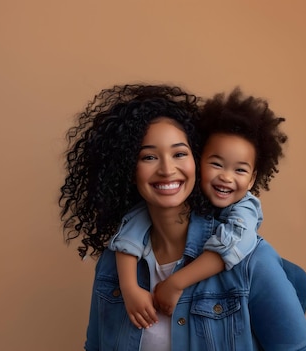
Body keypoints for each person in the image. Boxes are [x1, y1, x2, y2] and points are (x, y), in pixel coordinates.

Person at [60, 84, 306, 350]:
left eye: (180, 153)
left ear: (196, 159)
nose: (167, 169)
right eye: (148, 156)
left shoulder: (249, 260)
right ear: (126, 168)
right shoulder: (114, 263)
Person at [108, 87, 288, 327]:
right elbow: (131, 227)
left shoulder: (246, 217)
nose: (226, 177)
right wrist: (129, 288)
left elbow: (233, 243)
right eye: (216, 164)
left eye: (240, 170)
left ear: (253, 178)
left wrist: (176, 282)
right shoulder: (132, 236)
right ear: (200, 161)